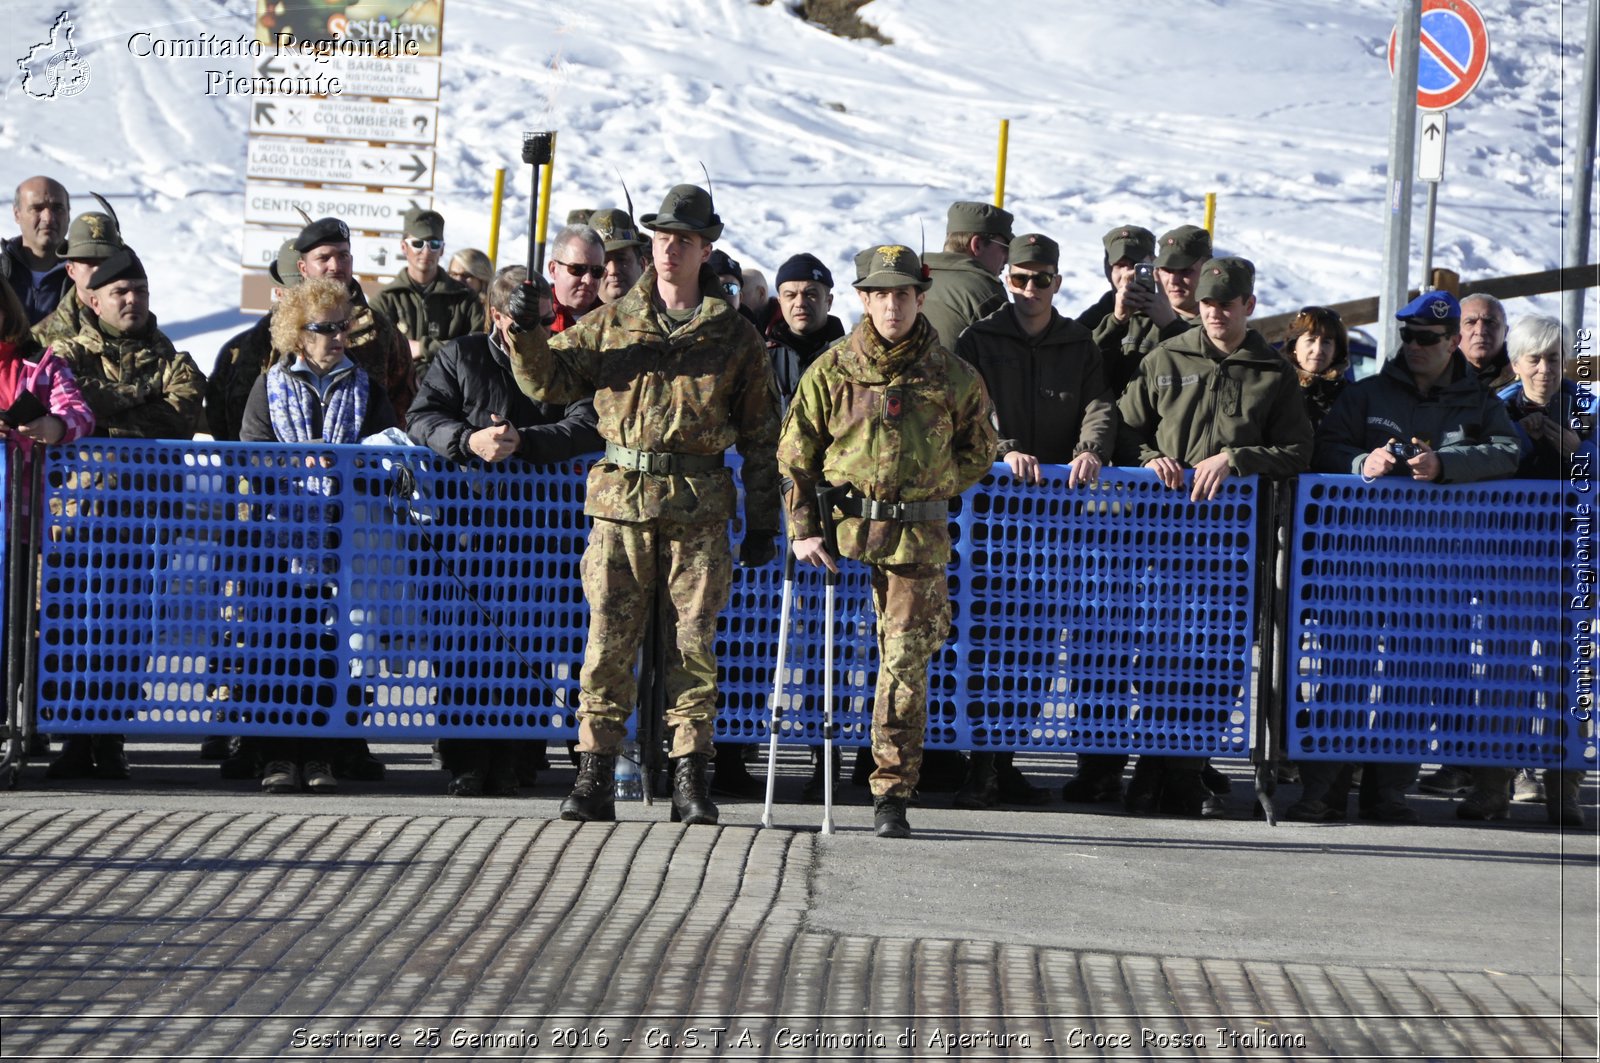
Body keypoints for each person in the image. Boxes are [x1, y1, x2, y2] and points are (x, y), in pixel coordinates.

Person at [505, 183, 782, 826]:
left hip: (697, 507)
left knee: (692, 646)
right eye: (660, 238)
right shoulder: (612, 323)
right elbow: (548, 379)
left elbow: (762, 437)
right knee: (607, 643)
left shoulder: (735, 337)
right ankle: (595, 773)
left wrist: (765, 520)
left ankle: (690, 774)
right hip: (622, 503)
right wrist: (524, 328)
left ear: (706, 249)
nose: (668, 250)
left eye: (682, 240)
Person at [778, 243, 998, 838]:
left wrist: (935, 482)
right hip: (843, 531)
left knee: (905, 662)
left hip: (918, 536)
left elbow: (981, 447)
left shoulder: (951, 374)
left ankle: (891, 792)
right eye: (882, 294)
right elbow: (795, 455)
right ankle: (820, 766)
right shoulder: (833, 370)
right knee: (823, 657)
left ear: (920, 298)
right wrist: (802, 530)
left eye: (904, 294)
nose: (893, 306)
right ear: (864, 300)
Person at [1301, 290, 1521, 823]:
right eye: (1409, 336)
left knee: (1411, 682)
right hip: (1361, 564)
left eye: (1428, 339)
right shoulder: (1369, 394)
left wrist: (1445, 464)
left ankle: (1388, 794)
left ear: (1452, 344)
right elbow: (1325, 446)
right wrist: (1362, 460)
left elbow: (1509, 450)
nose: (1416, 346)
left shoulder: (1478, 403)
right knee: (1344, 678)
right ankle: (1322, 791)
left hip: (1434, 567)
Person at [1115, 256, 1313, 817]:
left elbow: (1299, 451)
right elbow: (1124, 428)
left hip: (1233, 543)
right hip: (1161, 540)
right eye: (1207, 305)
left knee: (1217, 658)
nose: (1216, 314)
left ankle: (1180, 771)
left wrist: (1237, 457)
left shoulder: (1272, 373)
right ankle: (1155, 768)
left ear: (1249, 306)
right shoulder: (1165, 358)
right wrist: (1151, 458)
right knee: (1157, 656)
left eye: (1227, 305)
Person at [406, 267, 603, 797]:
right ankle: (466, 759)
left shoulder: (564, 356)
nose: (535, 333)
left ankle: (519, 755)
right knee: (464, 647)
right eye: (524, 323)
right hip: (470, 531)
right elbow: (422, 418)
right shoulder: (460, 356)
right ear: (497, 315)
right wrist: (468, 440)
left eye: (542, 322)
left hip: (541, 535)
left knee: (532, 645)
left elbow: (586, 423)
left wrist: (527, 442)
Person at [956, 232, 1113, 809]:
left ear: (1057, 282)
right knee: (986, 639)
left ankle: (1010, 756)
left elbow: (1099, 404)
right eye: (1018, 278)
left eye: (1039, 280)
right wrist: (1002, 449)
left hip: (1056, 520)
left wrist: (1090, 449)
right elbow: (969, 409)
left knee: (1036, 642)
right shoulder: (979, 339)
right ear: (1007, 280)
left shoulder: (1079, 343)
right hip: (993, 516)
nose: (1028, 290)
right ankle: (982, 762)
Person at [44, 247, 205, 780]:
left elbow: (180, 414)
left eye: (140, 291)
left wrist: (103, 413)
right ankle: (72, 736)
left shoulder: (170, 355)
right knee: (71, 625)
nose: (132, 300)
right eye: (120, 292)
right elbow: (68, 405)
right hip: (77, 519)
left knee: (126, 627)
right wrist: (137, 397)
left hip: (143, 518)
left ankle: (110, 735)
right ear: (93, 300)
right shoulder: (64, 351)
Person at [238, 277, 398, 793]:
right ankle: (279, 756)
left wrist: (349, 467)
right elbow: (253, 457)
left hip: (345, 540)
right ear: (297, 333)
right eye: (323, 329)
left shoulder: (366, 386)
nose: (336, 338)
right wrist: (292, 464)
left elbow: (387, 451)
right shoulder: (269, 385)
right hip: (280, 544)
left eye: (341, 327)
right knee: (278, 648)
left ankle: (325, 753)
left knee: (335, 651)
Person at [1451, 314, 1590, 827]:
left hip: (1573, 564)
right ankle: (1492, 790)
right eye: (1534, 359)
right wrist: (1520, 440)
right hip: (1507, 567)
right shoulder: (1497, 408)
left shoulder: (1588, 410)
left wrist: (1579, 454)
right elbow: (1472, 463)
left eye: (1554, 359)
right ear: (1516, 363)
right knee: (1505, 678)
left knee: (1566, 675)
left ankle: (1564, 791)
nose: (1544, 369)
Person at [370, 208, 486, 379]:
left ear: (442, 250)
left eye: (434, 245)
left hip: (452, 395)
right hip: (398, 398)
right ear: (403, 247)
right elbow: (373, 350)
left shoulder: (465, 299)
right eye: (418, 244)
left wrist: (423, 348)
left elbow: (479, 348)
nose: (426, 252)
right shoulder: (386, 300)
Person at [1077, 224, 1188, 396]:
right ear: (1107, 270)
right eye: (1120, 265)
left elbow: (1196, 373)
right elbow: (1082, 376)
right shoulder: (1090, 322)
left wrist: (1171, 326)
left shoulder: (1170, 315)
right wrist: (1115, 322)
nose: (1128, 273)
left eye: (1137, 265)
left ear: (1154, 265)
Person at [921, 200, 1013, 351]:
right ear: (977, 245)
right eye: (1005, 248)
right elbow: (1006, 363)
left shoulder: (911, 280)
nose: (1008, 258)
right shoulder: (983, 292)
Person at [33, 210, 123, 349]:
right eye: (89, 261)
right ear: (71, 270)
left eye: (106, 261)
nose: (98, 270)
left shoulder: (139, 326)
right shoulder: (40, 339)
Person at [766, 252, 845, 405]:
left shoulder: (851, 356)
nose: (800, 303)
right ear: (780, 302)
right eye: (790, 295)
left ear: (828, 301)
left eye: (810, 294)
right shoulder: (762, 358)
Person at [2, 177, 71, 324]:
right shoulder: (2, 273)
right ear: (17, 214)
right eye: (37, 208)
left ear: (69, 214)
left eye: (58, 208)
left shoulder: (87, 275)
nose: (48, 217)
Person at [1281, 305, 1351, 428]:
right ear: (1294, 347)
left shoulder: (1351, 399)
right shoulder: (1274, 389)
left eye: (1326, 342)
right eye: (1311, 340)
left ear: (1336, 350)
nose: (1318, 350)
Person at [545, 224, 605, 330]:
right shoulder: (533, 321)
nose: (588, 280)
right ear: (553, 269)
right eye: (578, 269)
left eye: (597, 271)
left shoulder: (614, 322)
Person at [1153, 224, 1212, 330]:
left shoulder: (1222, 327)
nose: (1173, 280)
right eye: (1167, 270)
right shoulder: (1139, 322)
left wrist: (1170, 326)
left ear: (1206, 270)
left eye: (1185, 271)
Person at [589, 207, 649, 306]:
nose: (613, 270)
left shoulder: (663, 315)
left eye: (622, 259)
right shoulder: (575, 319)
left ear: (642, 265)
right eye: (603, 261)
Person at [1458, 292, 1512, 391]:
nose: (1480, 331)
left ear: (1505, 331)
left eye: (1490, 322)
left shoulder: (1524, 377)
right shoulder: (1438, 376)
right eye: (1470, 322)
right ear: (1456, 333)